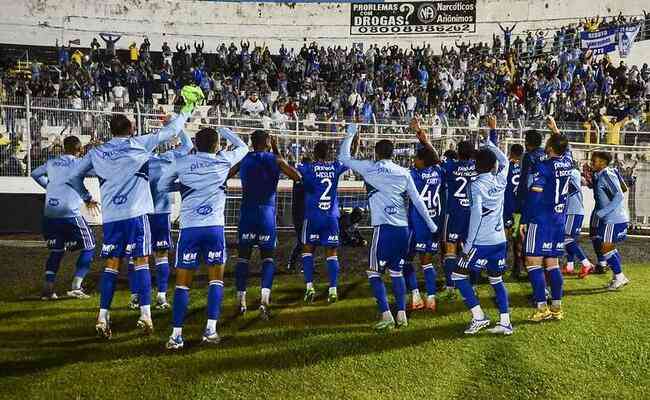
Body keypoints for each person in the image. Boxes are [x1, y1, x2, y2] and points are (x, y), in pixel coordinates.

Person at [68, 85, 203, 339]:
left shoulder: (98, 152)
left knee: (112, 265)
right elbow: (174, 131)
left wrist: (86, 197)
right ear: (130, 129)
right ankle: (145, 315)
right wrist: (186, 108)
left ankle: (102, 316)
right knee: (141, 261)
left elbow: (74, 176)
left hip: (112, 218)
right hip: (137, 214)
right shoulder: (138, 144)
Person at [338, 123, 437, 331]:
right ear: (392, 154)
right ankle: (401, 315)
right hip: (403, 229)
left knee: (374, 272)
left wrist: (350, 134)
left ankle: (386, 315)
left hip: (383, 229)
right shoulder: (403, 172)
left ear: (376, 152)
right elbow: (418, 201)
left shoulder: (370, 167)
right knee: (396, 272)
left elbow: (343, 159)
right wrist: (430, 224)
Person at [160, 127, 248, 350]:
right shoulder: (223, 161)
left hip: (189, 229)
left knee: (182, 284)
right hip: (214, 229)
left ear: (196, 145)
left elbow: (161, 184)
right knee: (215, 280)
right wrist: (224, 130)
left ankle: (176, 335)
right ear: (217, 145)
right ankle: (210, 330)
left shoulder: (182, 163)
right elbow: (244, 147)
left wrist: (181, 186)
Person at [231, 130, 301, 319]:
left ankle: (241, 300)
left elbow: (226, 175)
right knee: (267, 258)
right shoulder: (275, 160)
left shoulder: (244, 159)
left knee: (243, 258)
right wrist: (277, 150)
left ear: (252, 143)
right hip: (266, 214)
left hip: (247, 212)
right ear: (268, 142)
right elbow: (296, 176)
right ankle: (264, 301)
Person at [126, 124, 195, 311]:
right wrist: (177, 124)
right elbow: (188, 145)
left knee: (137, 256)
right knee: (161, 255)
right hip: (161, 213)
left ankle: (135, 296)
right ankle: (162, 296)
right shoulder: (168, 158)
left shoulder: (133, 160)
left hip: (139, 213)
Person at [454, 116, 512, 335]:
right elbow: (504, 161)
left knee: (458, 276)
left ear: (477, 166)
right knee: (496, 279)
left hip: (482, 241)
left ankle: (479, 316)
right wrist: (490, 145)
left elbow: (476, 215)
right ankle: (505, 321)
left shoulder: (476, 185)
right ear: (493, 165)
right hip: (500, 240)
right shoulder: (501, 178)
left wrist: (468, 244)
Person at [31, 136, 99, 300]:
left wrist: (49, 186)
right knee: (89, 246)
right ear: (79, 149)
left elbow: (35, 173)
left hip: (50, 213)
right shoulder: (79, 163)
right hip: (69, 212)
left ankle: (48, 288)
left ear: (64, 148)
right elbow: (97, 171)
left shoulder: (53, 162)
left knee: (57, 250)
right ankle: (76, 286)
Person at [520, 117, 571, 322]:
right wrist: (555, 129)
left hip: (540, 220)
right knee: (552, 264)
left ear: (549, 148)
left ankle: (542, 308)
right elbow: (564, 148)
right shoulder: (567, 161)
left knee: (533, 262)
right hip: (558, 221)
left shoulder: (545, 167)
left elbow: (535, 194)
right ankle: (557, 308)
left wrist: (524, 218)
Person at [298, 139, 356, 303]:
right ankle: (333, 290)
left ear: (314, 154)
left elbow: (294, 170)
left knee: (308, 251)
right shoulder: (335, 167)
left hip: (313, 216)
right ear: (329, 154)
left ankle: (309, 288)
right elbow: (348, 158)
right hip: (330, 217)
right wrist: (355, 142)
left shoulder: (308, 168)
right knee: (332, 254)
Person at [403, 119, 444, 312]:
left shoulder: (414, 175)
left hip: (417, 224)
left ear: (421, 161)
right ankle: (432, 298)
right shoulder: (438, 171)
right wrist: (423, 138)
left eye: (416, 158)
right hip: (433, 223)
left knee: (406, 260)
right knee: (427, 262)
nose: (414, 160)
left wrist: (422, 138)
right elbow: (435, 158)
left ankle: (416, 296)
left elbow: (431, 157)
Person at [440, 139, 476, 300]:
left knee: (450, 250)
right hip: (472, 214)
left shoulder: (451, 166)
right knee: (470, 250)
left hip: (454, 213)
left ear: (458, 153)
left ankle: (450, 286)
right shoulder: (477, 167)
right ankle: (471, 286)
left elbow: (437, 161)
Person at [590, 151, 630, 290]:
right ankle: (617, 277)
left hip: (612, 219)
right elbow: (624, 188)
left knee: (606, 248)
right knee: (609, 248)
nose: (591, 163)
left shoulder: (607, 174)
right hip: (614, 218)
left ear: (602, 162)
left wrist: (603, 211)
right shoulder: (604, 174)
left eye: (594, 161)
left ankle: (619, 277)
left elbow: (619, 195)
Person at [563, 163, 594, 277]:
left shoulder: (567, 172)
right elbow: (586, 183)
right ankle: (570, 266)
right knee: (570, 239)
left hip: (572, 211)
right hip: (574, 211)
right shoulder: (575, 172)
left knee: (566, 238)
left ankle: (586, 263)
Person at [504, 143, 524, 280]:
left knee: (503, 239)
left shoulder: (506, 167)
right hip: (520, 210)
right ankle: (517, 268)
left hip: (507, 209)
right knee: (518, 241)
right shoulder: (525, 167)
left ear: (511, 153)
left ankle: (499, 267)